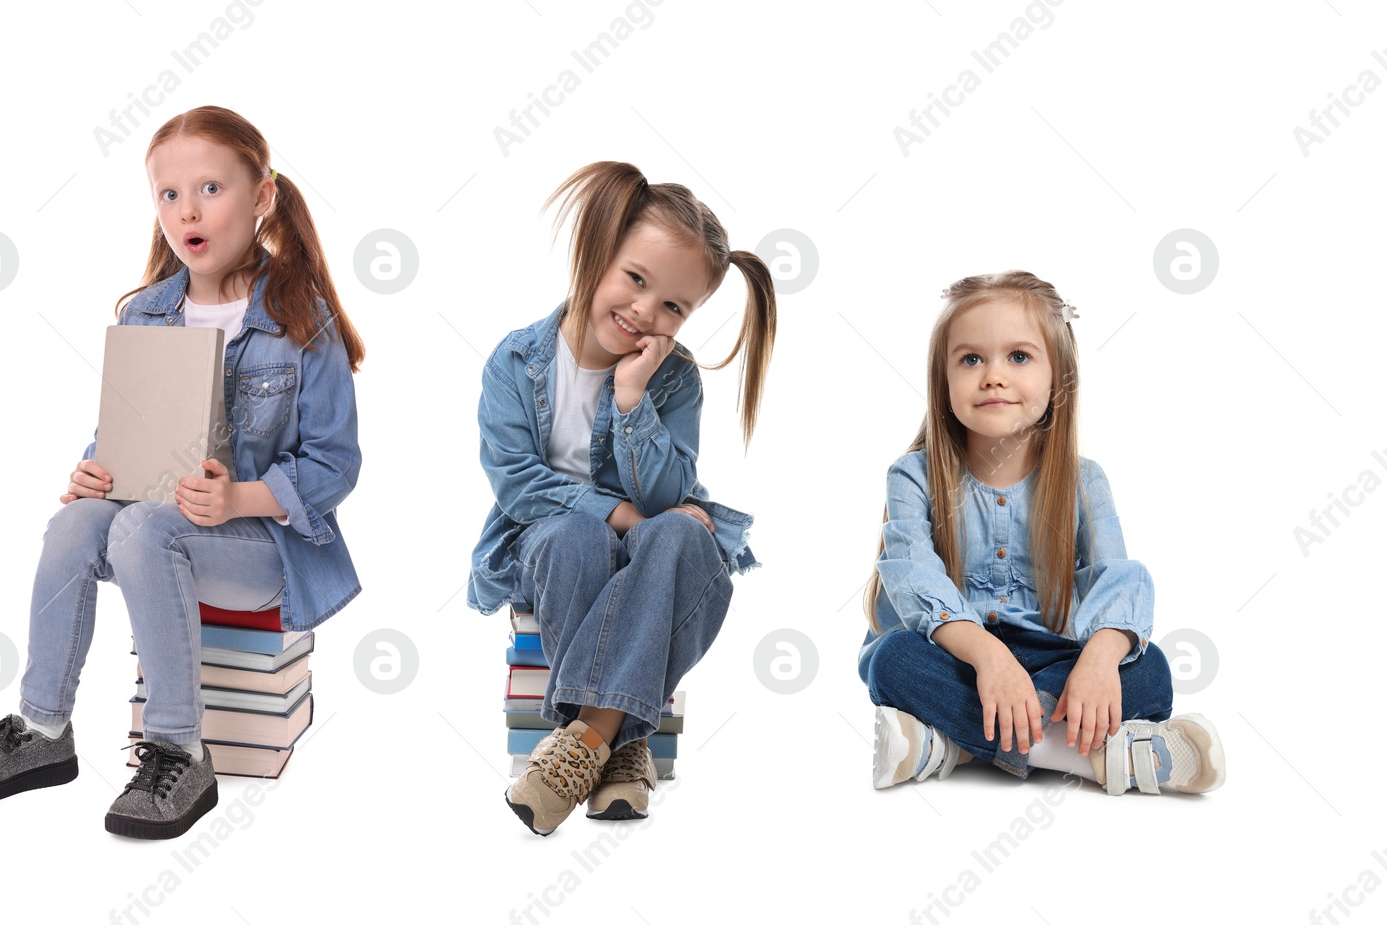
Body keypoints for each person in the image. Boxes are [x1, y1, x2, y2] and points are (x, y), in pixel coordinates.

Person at [0, 105, 366, 838]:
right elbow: (118, 438)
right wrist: (96, 471)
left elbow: (335, 464)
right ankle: (41, 729)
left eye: (211, 189)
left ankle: (176, 749)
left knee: (142, 527)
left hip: (263, 547)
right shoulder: (146, 315)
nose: (186, 210)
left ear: (261, 198)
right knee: (77, 522)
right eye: (169, 194)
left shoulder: (299, 317)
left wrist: (237, 499)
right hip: (152, 529)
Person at [468, 161, 777, 835]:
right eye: (636, 279)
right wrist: (616, 513)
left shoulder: (674, 379)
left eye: (673, 306)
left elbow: (666, 495)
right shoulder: (516, 362)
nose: (645, 311)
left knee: (686, 534)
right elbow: (519, 483)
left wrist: (633, 398)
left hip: (648, 540)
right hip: (544, 540)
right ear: (598, 251)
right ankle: (628, 746)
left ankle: (584, 742)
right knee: (579, 537)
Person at [859, 270, 1225, 795]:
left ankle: (951, 745)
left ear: (1059, 376)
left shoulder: (1084, 480)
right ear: (943, 380)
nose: (993, 376)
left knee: (1151, 668)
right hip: (958, 658)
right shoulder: (912, 475)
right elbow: (917, 580)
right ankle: (1085, 758)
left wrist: (1099, 660)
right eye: (970, 359)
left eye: (1019, 357)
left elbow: (1114, 578)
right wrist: (990, 658)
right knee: (892, 661)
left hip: (1055, 658)